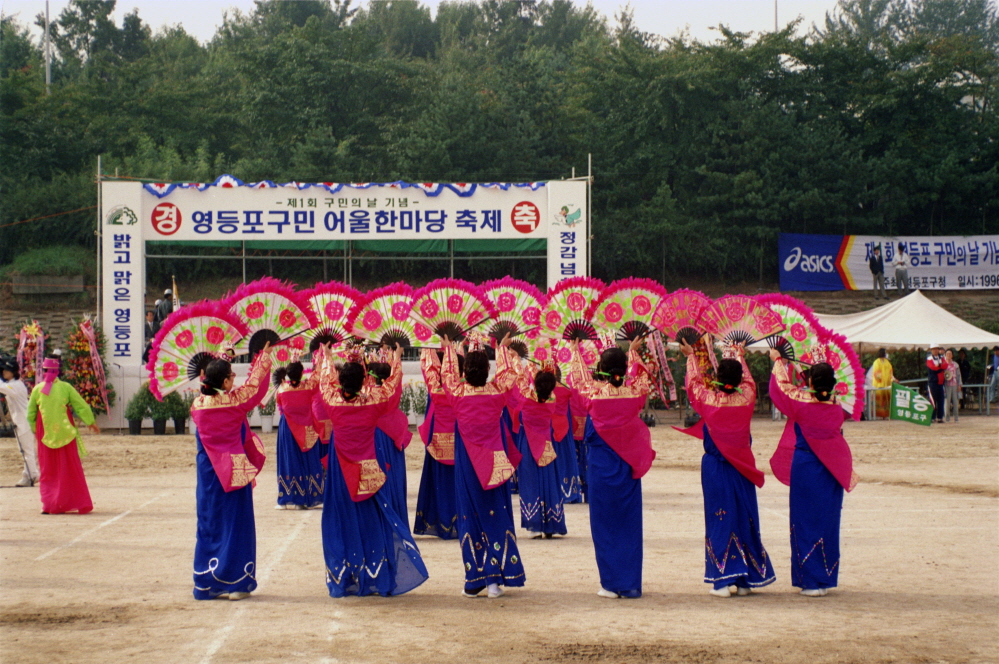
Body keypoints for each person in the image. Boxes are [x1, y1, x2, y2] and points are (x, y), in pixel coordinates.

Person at [316, 342, 428, 598]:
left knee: (343, 518)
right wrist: (397, 358)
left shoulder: (333, 400)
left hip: (340, 469)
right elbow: (392, 386)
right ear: (364, 380)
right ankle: (376, 573)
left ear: (340, 382)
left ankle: (349, 577)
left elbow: (325, 380)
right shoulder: (373, 402)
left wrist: (327, 357)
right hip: (368, 468)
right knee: (372, 518)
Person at [679, 341, 774, 598]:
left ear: (718, 379)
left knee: (720, 519)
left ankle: (722, 579)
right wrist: (739, 355)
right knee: (743, 517)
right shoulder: (747, 397)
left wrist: (691, 357)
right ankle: (744, 579)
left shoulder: (710, 400)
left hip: (716, 469)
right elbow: (749, 381)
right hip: (742, 466)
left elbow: (693, 385)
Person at [568, 337, 654, 599]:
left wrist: (575, 350)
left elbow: (578, 379)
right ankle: (629, 583)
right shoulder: (634, 394)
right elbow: (642, 379)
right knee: (629, 523)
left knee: (604, 524)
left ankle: (610, 583)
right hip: (627, 466)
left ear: (602, 369)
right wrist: (633, 353)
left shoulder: (595, 394)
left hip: (601, 466)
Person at [440, 334, 525, 599]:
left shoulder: (457, 393)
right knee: (496, 513)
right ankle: (495, 581)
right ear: (488, 370)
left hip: (468, 465)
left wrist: (450, 350)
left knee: (470, 515)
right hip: (494, 463)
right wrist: (501, 348)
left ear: (465, 371)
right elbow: (510, 373)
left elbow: (447, 376)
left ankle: (475, 579)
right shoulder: (496, 392)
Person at [769, 350, 858, 597]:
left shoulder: (801, 401)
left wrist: (779, 361)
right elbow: (818, 393)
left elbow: (780, 387)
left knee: (805, 520)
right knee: (827, 521)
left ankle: (809, 581)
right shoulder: (839, 404)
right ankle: (825, 578)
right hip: (832, 467)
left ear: (809, 382)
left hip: (807, 466)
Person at [189, 344, 273, 600]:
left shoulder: (198, 405)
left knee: (210, 523)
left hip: (209, 474)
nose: (234, 381)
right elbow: (256, 387)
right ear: (225, 382)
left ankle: (207, 581)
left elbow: (214, 384)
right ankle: (236, 582)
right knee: (237, 524)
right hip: (233, 470)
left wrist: (223, 360)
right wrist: (263, 357)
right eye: (231, 377)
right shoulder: (234, 402)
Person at [26, 354, 99, 514]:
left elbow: (30, 414)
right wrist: (90, 422)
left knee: (48, 470)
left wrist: (35, 430)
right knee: (69, 469)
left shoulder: (37, 390)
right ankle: (67, 502)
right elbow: (81, 406)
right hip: (66, 433)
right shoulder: (65, 387)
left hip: (45, 435)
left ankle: (49, 504)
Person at [511, 359, 566, 538]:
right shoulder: (553, 398)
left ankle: (535, 522)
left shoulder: (527, 397)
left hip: (528, 444)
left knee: (531, 482)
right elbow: (540, 385)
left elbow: (519, 378)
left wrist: (517, 358)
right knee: (549, 482)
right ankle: (551, 523)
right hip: (546, 445)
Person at [413, 348, 460, 539]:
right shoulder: (461, 391)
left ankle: (440, 523)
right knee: (457, 484)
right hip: (459, 444)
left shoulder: (436, 390)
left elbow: (428, 369)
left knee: (439, 484)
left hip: (438, 444)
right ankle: (458, 522)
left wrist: (428, 346)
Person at [273, 359, 325, 510]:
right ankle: (312, 495)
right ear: (302, 374)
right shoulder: (308, 386)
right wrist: (323, 354)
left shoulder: (282, 389)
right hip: (306, 427)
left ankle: (289, 496)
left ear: (287, 376)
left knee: (289, 460)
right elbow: (318, 373)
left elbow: (281, 407)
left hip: (288, 428)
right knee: (309, 459)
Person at [369, 360, 413, 522]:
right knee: (394, 476)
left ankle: (379, 519)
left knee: (377, 476)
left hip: (375, 437)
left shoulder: (368, 394)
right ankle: (398, 517)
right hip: (393, 437)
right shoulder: (393, 392)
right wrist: (397, 357)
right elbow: (397, 377)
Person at [0, 355, 40, 487]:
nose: (4, 372)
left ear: (13, 372)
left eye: (6, 370)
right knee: (25, 450)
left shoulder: (16, 386)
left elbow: (2, 387)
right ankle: (28, 475)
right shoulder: (13, 384)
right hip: (21, 421)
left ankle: (33, 475)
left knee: (27, 450)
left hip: (24, 421)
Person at [551, 373, 581, 504]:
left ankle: (553, 490)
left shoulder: (541, 392)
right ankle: (570, 490)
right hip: (564, 426)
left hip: (549, 429)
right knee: (566, 457)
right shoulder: (565, 391)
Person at [871, 349, 895, 420]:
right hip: (879, 384)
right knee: (879, 399)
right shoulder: (877, 362)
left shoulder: (887, 362)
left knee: (886, 399)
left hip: (886, 383)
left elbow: (890, 372)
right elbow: (876, 373)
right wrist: (881, 379)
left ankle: (885, 415)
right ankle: (878, 415)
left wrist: (891, 379)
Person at [926, 344, 946, 424]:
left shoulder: (941, 358)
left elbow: (945, 365)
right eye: (933, 349)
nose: (935, 351)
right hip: (933, 382)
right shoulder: (929, 359)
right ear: (931, 350)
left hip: (940, 382)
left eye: (936, 349)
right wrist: (940, 367)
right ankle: (932, 417)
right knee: (933, 400)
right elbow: (932, 367)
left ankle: (940, 417)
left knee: (941, 400)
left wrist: (939, 366)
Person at [943, 350, 962, 423]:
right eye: (947, 354)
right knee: (947, 402)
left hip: (955, 384)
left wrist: (959, 384)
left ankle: (956, 418)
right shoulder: (943, 364)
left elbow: (959, 375)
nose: (949, 355)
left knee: (955, 402)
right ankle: (947, 418)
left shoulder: (955, 365)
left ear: (952, 355)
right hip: (946, 384)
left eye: (950, 354)